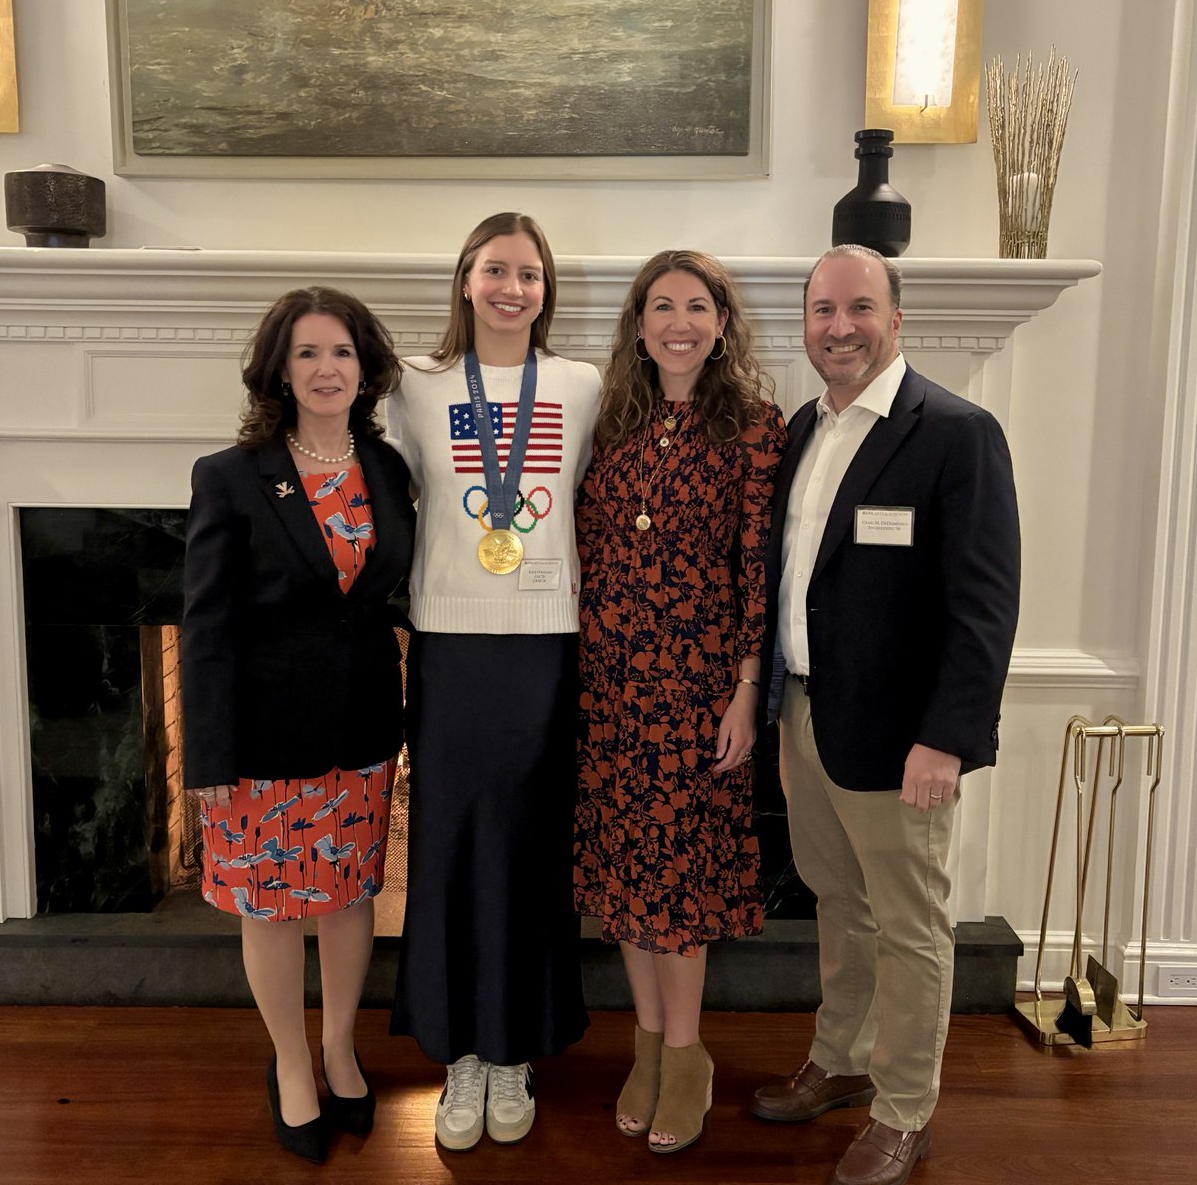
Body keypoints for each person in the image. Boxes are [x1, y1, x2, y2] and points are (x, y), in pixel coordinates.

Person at [749, 245, 1020, 1185]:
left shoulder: (955, 432)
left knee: (909, 924)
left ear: (896, 318)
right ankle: (842, 1059)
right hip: (807, 719)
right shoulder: (802, 431)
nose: (839, 327)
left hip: (905, 739)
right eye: (823, 309)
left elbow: (983, 606)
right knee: (838, 906)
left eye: (859, 307)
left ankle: (905, 1110)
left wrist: (947, 738)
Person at [182, 286, 416, 1163]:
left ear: (367, 369)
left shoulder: (387, 468)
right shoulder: (232, 475)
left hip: (361, 726)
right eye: (309, 354)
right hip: (261, 738)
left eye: (343, 353)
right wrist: (205, 750)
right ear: (280, 370)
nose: (328, 370)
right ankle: (289, 1062)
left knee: (350, 895)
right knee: (274, 909)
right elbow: (203, 624)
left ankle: (339, 1048)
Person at [385, 212, 597, 1151]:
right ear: (465, 279)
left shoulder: (583, 385)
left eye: (531, 274)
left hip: (546, 645)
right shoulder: (412, 386)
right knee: (451, 844)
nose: (515, 288)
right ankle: (459, 1053)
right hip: (451, 647)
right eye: (497, 270)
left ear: (547, 290)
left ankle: (513, 1051)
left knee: (528, 846)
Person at [573, 250, 786, 1154]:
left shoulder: (755, 428)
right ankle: (648, 1044)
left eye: (697, 306)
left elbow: (758, 578)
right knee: (626, 876)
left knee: (682, 882)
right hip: (609, 687)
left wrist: (744, 693)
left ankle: (689, 1053)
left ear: (723, 322)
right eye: (661, 306)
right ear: (638, 323)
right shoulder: (611, 423)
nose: (678, 322)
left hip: (698, 691)